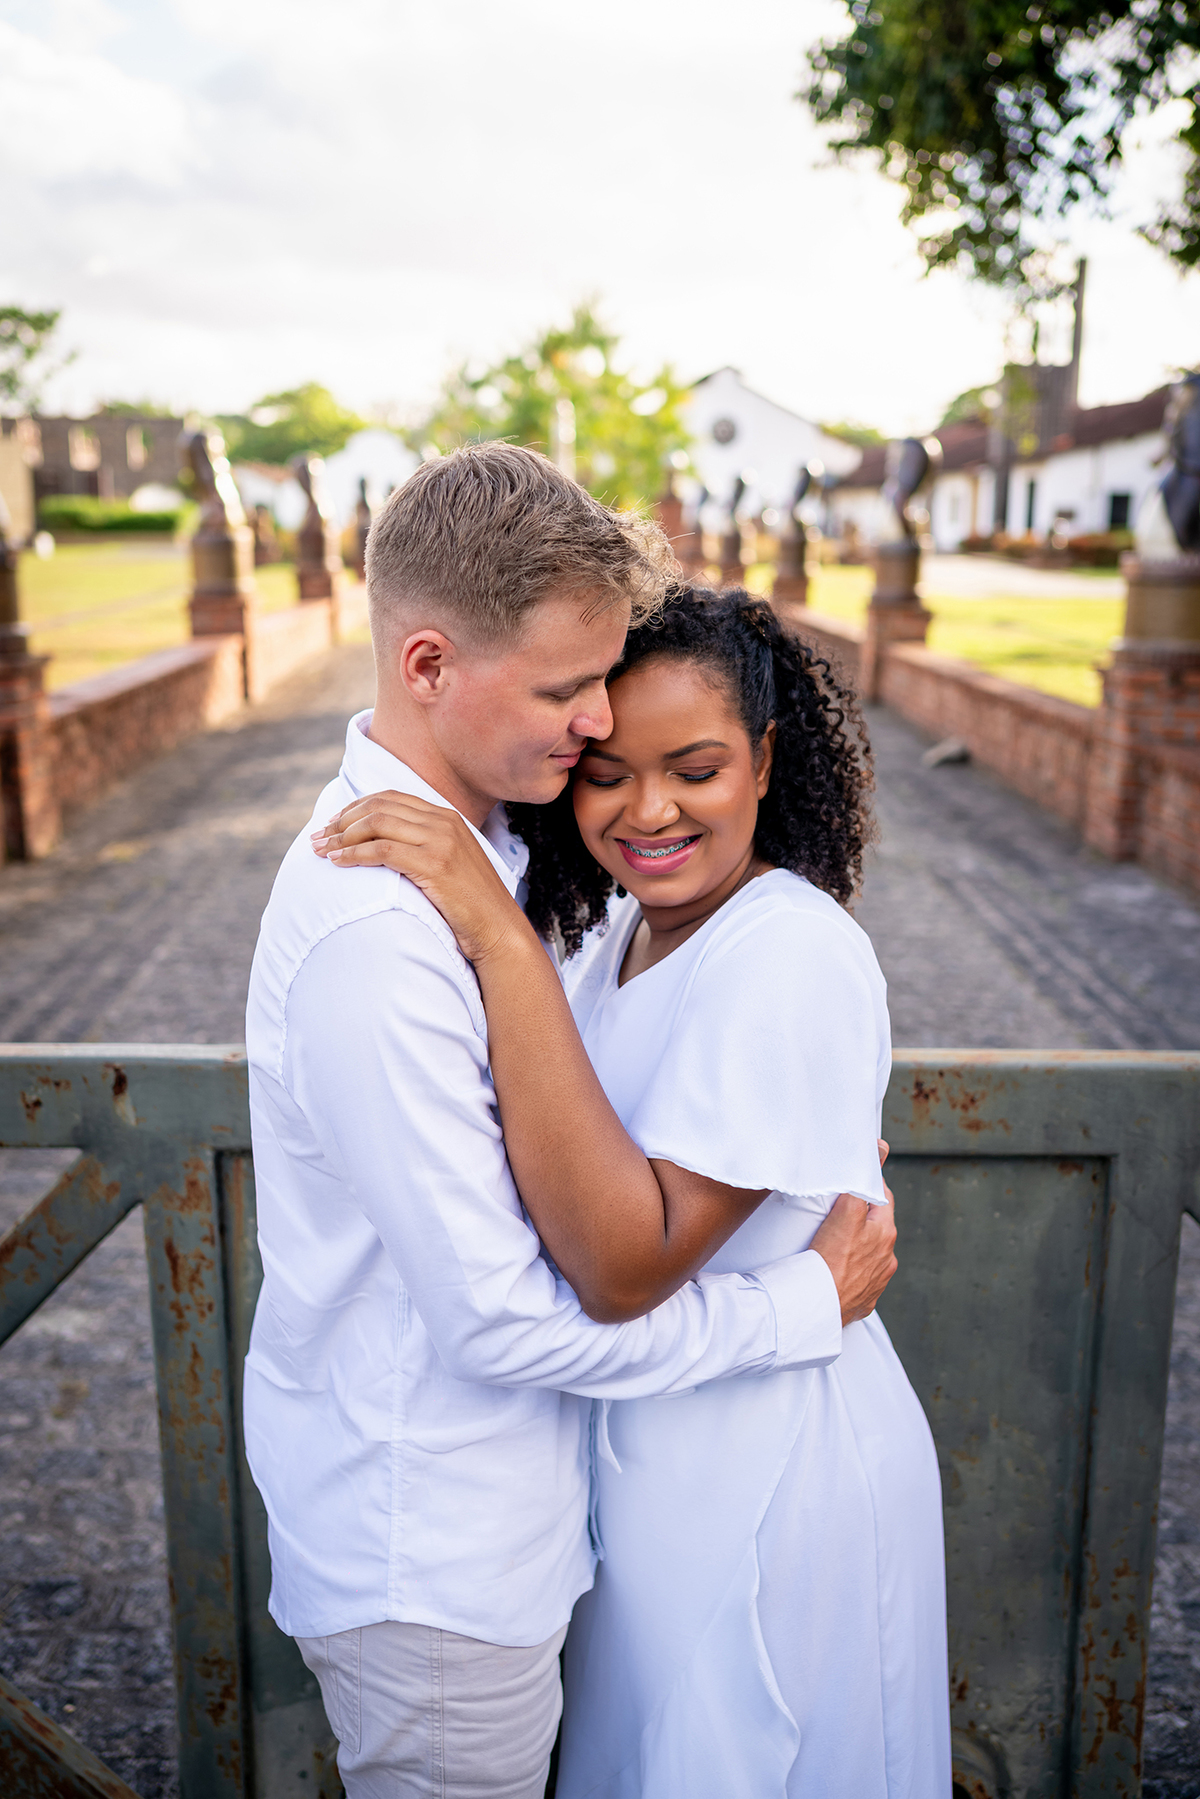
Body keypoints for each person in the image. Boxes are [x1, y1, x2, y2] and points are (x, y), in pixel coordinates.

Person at [244, 444, 900, 1799]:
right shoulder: (405, 924)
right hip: (444, 1543)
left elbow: (615, 1195)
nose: (593, 733)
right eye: (570, 700)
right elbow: (514, 1302)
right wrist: (794, 1301)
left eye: (604, 688)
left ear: (768, 760)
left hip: (678, 1484)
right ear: (427, 666)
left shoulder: (512, 894)